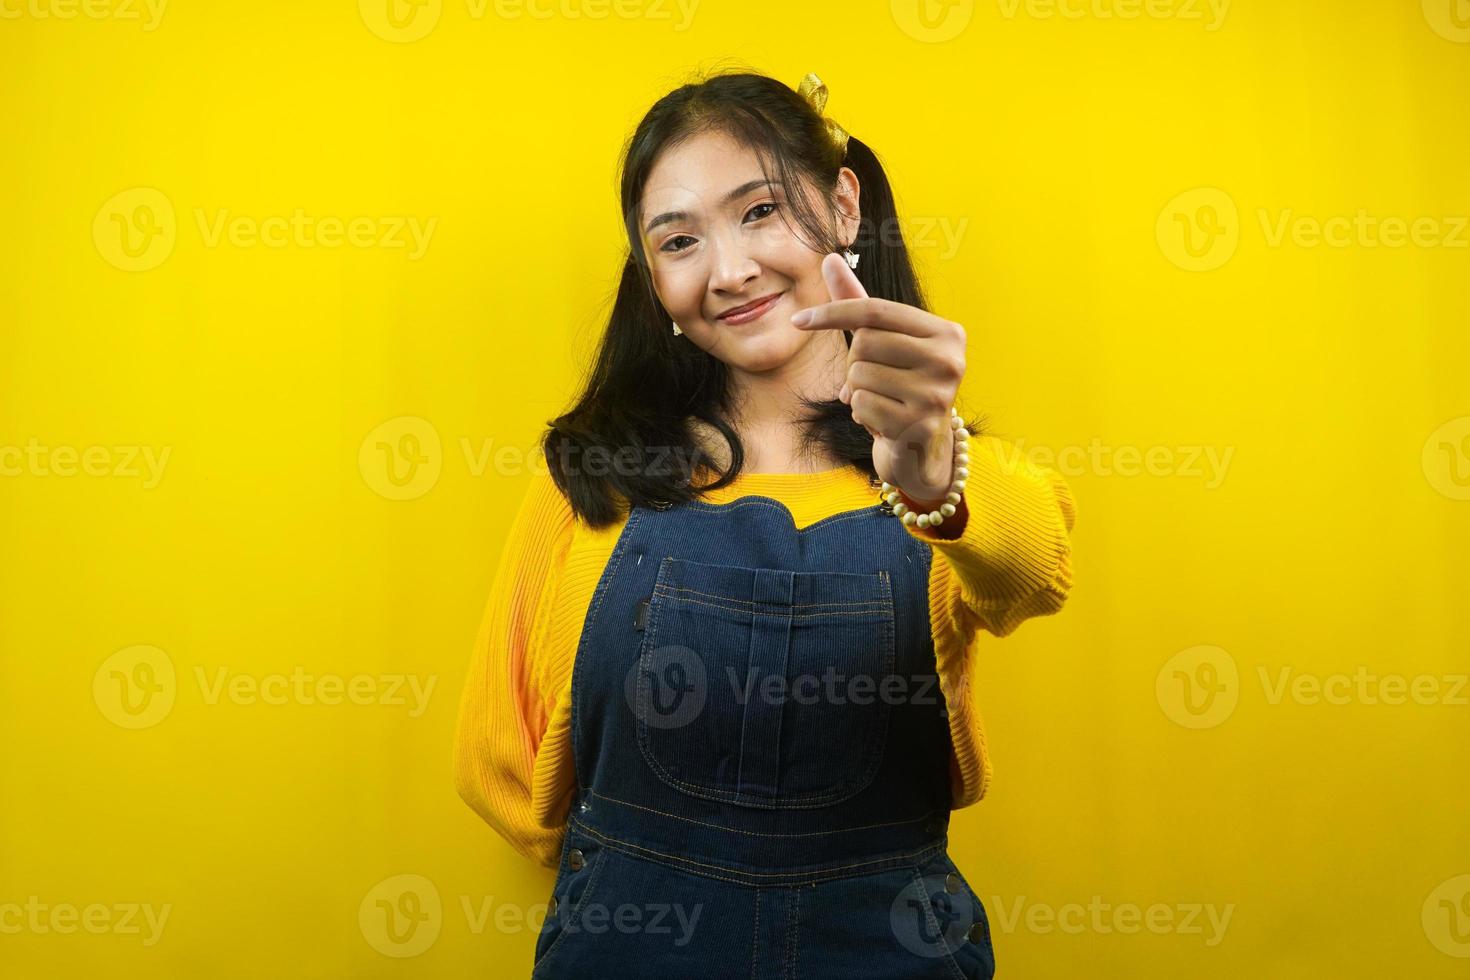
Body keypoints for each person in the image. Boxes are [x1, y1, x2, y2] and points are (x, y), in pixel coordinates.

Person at [453, 69, 1077, 979]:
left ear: (844, 202)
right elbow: (496, 763)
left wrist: (935, 470)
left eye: (758, 211)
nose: (730, 270)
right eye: (679, 240)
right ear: (651, 277)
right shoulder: (597, 475)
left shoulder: (942, 474)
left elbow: (1038, 574)